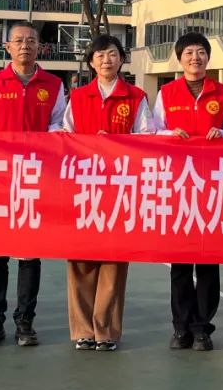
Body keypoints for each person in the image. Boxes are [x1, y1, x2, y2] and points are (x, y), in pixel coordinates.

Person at [0, 21, 65, 348]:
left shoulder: (53, 84)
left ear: (40, 47)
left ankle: (25, 321)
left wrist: (45, 144)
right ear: (7, 46)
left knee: (29, 254)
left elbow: (59, 126)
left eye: (31, 40)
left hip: (35, 178)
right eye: (18, 40)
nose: (25, 45)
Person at [61, 34, 154, 352]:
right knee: (81, 260)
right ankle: (83, 330)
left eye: (112, 54)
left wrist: (116, 143)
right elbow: (65, 135)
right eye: (100, 55)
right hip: (83, 187)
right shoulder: (78, 96)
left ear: (121, 59)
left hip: (120, 187)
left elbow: (148, 137)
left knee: (114, 261)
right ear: (91, 62)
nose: (106, 60)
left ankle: (107, 331)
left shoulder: (135, 97)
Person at [153, 32, 223, 352]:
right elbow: (152, 132)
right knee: (180, 263)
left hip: (211, 186)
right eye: (189, 52)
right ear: (179, 58)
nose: (195, 57)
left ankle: (202, 328)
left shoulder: (222, 92)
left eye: (201, 52)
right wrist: (169, 133)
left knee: (207, 261)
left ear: (208, 57)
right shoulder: (166, 93)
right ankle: (181, 328)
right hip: (177, 185)